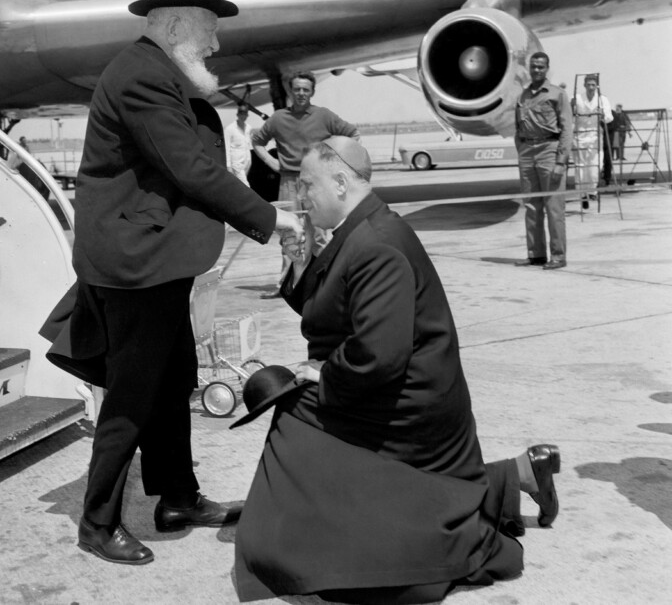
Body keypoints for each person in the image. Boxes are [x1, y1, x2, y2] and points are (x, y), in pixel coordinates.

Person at [233, 137, 560, 604]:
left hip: (413, 401)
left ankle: (302, 545)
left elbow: (378, 356)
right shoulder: (358, 229)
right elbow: (326, 310)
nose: (301, 196)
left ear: (341, 182)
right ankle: (514, 476)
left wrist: (323, 375)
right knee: (299, 402)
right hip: (392, 383)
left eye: (307, 185)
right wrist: (297, 261)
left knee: (295, 418)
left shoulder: (376, 243)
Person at [65, 0, 303, 566]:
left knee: (172, 381)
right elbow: (191, 169)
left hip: (157, 256)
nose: (217, 45)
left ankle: (178, 498)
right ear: (174, 25)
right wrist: (274, 219)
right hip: (134, 263)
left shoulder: (157, 71)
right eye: (209, 30)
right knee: (133, 392)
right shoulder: (143, 76)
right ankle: (97, 523)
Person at [251, 71, 359, 297]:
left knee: (318, 234)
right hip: (288, 182)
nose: (301, 93)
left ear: (312, 92)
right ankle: (286, 286)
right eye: (297, 89)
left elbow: (353, 134)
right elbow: (257, 141)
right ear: (291, 91)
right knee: (288, 234)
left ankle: (326, 285)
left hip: (316, 182)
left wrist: (336, 161)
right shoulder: (278, 118)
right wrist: (271, 161)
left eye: (306, 90)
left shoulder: (324, 116)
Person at [514, 52, 573, 270]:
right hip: (528, 152)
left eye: (540, 67)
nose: (536, 70)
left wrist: (561, 161)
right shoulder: (523, 96)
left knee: (554, 207)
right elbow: (517, 127)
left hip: (550, 150)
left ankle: (558, 256)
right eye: (533, 67)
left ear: (547, 69)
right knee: (531, 206)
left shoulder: (557, 94)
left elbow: (567, 129)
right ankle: (536, 254)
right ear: (529, 69)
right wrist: (522, 151)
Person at [572, 74, 613, 208]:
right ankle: (582, 194)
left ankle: (592, 190)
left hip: (595, 136)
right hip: (580, 136)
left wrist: (602, 115)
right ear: (584, 85)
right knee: (580, 167)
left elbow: (609, 117)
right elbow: (569, 116)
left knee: (596, 165)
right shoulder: (577, 98)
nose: (591, 87)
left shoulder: (602, 99)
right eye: (588, 85)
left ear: (597, 86)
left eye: (593, 85)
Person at [224, 102, 253, 185]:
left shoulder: (248, 128)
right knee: (246, 185)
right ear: (237, 114)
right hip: (236, 163)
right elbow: (226, 147)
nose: (243, 116)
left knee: (239, 185)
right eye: (241, 113)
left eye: (245, 114)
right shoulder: (229, 129)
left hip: (247, 163)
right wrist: (228, 166)